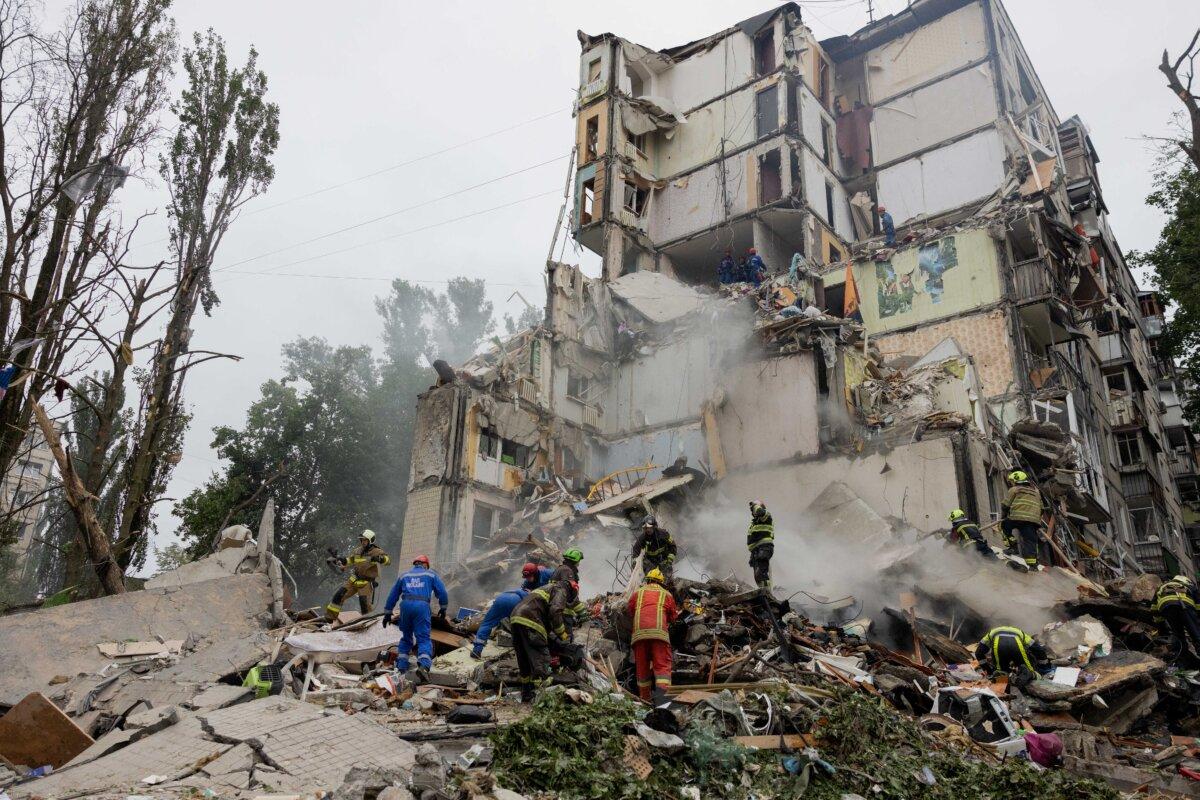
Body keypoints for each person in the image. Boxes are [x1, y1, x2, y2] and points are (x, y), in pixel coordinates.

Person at [383, 554, 449, 678]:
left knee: (406, 637)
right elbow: (442, 592)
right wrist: (443, 607)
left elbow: (393, 594)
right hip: (421, 606)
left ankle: (401, 667)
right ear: (425, 565)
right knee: (423, 638)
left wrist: (388, 613)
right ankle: (423, 666)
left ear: (415, 564)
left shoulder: (404, 575)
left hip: (406, 607)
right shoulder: (430, 574)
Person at [510, 579, 574, 702]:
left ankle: (527, 693)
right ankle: (543, 695)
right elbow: (555, 611)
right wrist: (563, 635)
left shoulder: (545, 588)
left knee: (524, 657)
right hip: (530, 619)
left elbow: (545, 614)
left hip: (515, 617)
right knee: (540, 656)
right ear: (571, 590)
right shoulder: (560, 589)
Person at [628, 568, 678, 703]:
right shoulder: (666, 594)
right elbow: (673, 617)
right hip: (659, 636)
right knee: (662, 667)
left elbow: (630, 611)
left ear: (647, 580)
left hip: (639, 636)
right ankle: (663, 701)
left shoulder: (637, 593)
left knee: (642, 668)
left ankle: (645, 700)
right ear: (661, 582)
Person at [324, 530, 391, 622]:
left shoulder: (377, 551)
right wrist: (341, 560)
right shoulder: (357, 550)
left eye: (365, 540)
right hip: (354, 579)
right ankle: (329, 619)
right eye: (362, 540)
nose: (363, 542)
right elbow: (350, 560)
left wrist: (380, 558)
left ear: (370, 541)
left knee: (364, 604)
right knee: (338, 595)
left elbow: (388, 561)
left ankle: (368, 622)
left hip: (366, 582)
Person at [975, 625, 1051, 684]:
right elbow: (1038, 649)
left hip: (999, 646)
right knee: (1027, 671)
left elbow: (978, 653)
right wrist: (1044, 667)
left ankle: (1004, 683)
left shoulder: (991, 633)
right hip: (1016, 646)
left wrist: (989, 671)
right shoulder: (1020, 632)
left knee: (1001, 674)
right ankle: (1032, 676)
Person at [1152, 575, 1200, 665]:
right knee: (1196, 634)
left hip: (1167, 608)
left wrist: (1161, 629)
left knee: (1178, 635)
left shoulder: (1162, 587)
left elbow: (1154, 608)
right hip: (1186, 607)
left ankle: (1183, 662)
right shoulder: (1190, 586)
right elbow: (1198, 606)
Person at [470, 587, 529, 659]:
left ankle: (476, 650)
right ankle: (522, 651)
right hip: (516, 602)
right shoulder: (532, 596)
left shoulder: (516, 589)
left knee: (487, 624)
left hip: (501, 599)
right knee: (520, 626)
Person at [1001, 471, 1044, 570]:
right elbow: (1042, 509)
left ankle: (1012, 547)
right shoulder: (1036, 492)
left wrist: (1004, 517)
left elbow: (1005, 505)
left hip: (1016, 518)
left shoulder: (1014, 489)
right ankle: (1033, 565)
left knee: (1004, 526)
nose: (1011, 483)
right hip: (1032, 521)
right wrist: (1034, 518)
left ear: (1015, 480)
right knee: (1030, 541)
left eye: (1012, 481)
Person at [747, 501, 775, 590]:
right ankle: (763, 592)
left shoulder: (766, 516)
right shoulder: (755, 522)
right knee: (757, 576)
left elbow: (760, 511)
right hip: (756, 551)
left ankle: (767, 593)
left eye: (754, 508)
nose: (752, 510)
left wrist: (755, 504)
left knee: (761, 573)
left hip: (764, 548)